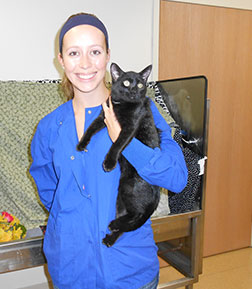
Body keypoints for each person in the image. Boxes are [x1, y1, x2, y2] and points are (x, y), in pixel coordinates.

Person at [30, 13, 188, 289]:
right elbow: (51, 195)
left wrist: (127, 143)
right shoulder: (48, 128)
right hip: (71, 270)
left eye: (95, 51)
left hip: (128, 270)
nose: (86, 63)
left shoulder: (145, 113)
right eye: (74, 53)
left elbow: (176, 179)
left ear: (107, 56)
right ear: (61, 60)